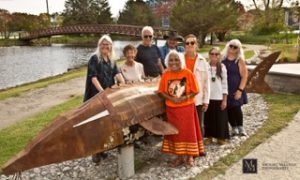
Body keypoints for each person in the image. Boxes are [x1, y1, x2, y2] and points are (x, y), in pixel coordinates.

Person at [158, 50, 205, 167]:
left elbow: (196, 90)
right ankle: (179, 156)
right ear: (167, 62)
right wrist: (171, 98)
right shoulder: (166, 74)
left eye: (176, 60)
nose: (174, 62)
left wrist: (184, 98)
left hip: (187, 109)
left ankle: (189, 156)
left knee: (188, 132)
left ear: (181, 61)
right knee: (176, 133)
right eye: (171, 60)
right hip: (172, 110)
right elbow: (161, 91)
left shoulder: (188, 73)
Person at [83, 35, 125, 163]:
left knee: (106, 123)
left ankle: (102, 149)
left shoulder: (111, 60)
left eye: (108, 44)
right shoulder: (94, 59)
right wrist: (102, 92)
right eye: (103, 44)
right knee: (95, 125)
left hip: (107, 96)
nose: (105, 46)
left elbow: (117, 74)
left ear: (111, 46)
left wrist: (123, 84)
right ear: (99, 45)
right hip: (95, 96)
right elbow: (93, 78)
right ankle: (95, 152)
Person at [184, 34, 210, 137]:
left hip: (198, 99)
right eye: (187, 43)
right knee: (185, 124)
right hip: (183, 98)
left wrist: (206, 101)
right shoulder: (179, 59)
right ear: (185, 45)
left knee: (199, 124)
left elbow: (206, 82)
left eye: (192, 43)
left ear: (196, 45)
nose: (190, 45)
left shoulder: (202, 61)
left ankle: (200, 148)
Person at [222, 39, 248, 136]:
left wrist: (240, 90)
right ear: (228, 46)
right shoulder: (222, 58)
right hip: (224, 89)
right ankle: (233, 127)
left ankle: (241, 127)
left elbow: (244, 76)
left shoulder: (239, 60)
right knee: (228, 108)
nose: (232, 48)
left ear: (238, 49)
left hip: (236, 89)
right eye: (231, 46)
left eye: (235, 47)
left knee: (236, 108)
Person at [204, 47, 229, 145]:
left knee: (221, 119)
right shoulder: (206, 66)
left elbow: (225, 84)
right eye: (212, 54)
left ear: (219, 56)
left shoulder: (222, 67)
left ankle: (221, 137)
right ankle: (209, 137)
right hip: (208, 97)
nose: (214, 56)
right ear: (209, 55)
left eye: (216, 54)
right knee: (208, 118)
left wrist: (224, 100)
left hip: (219, 97)